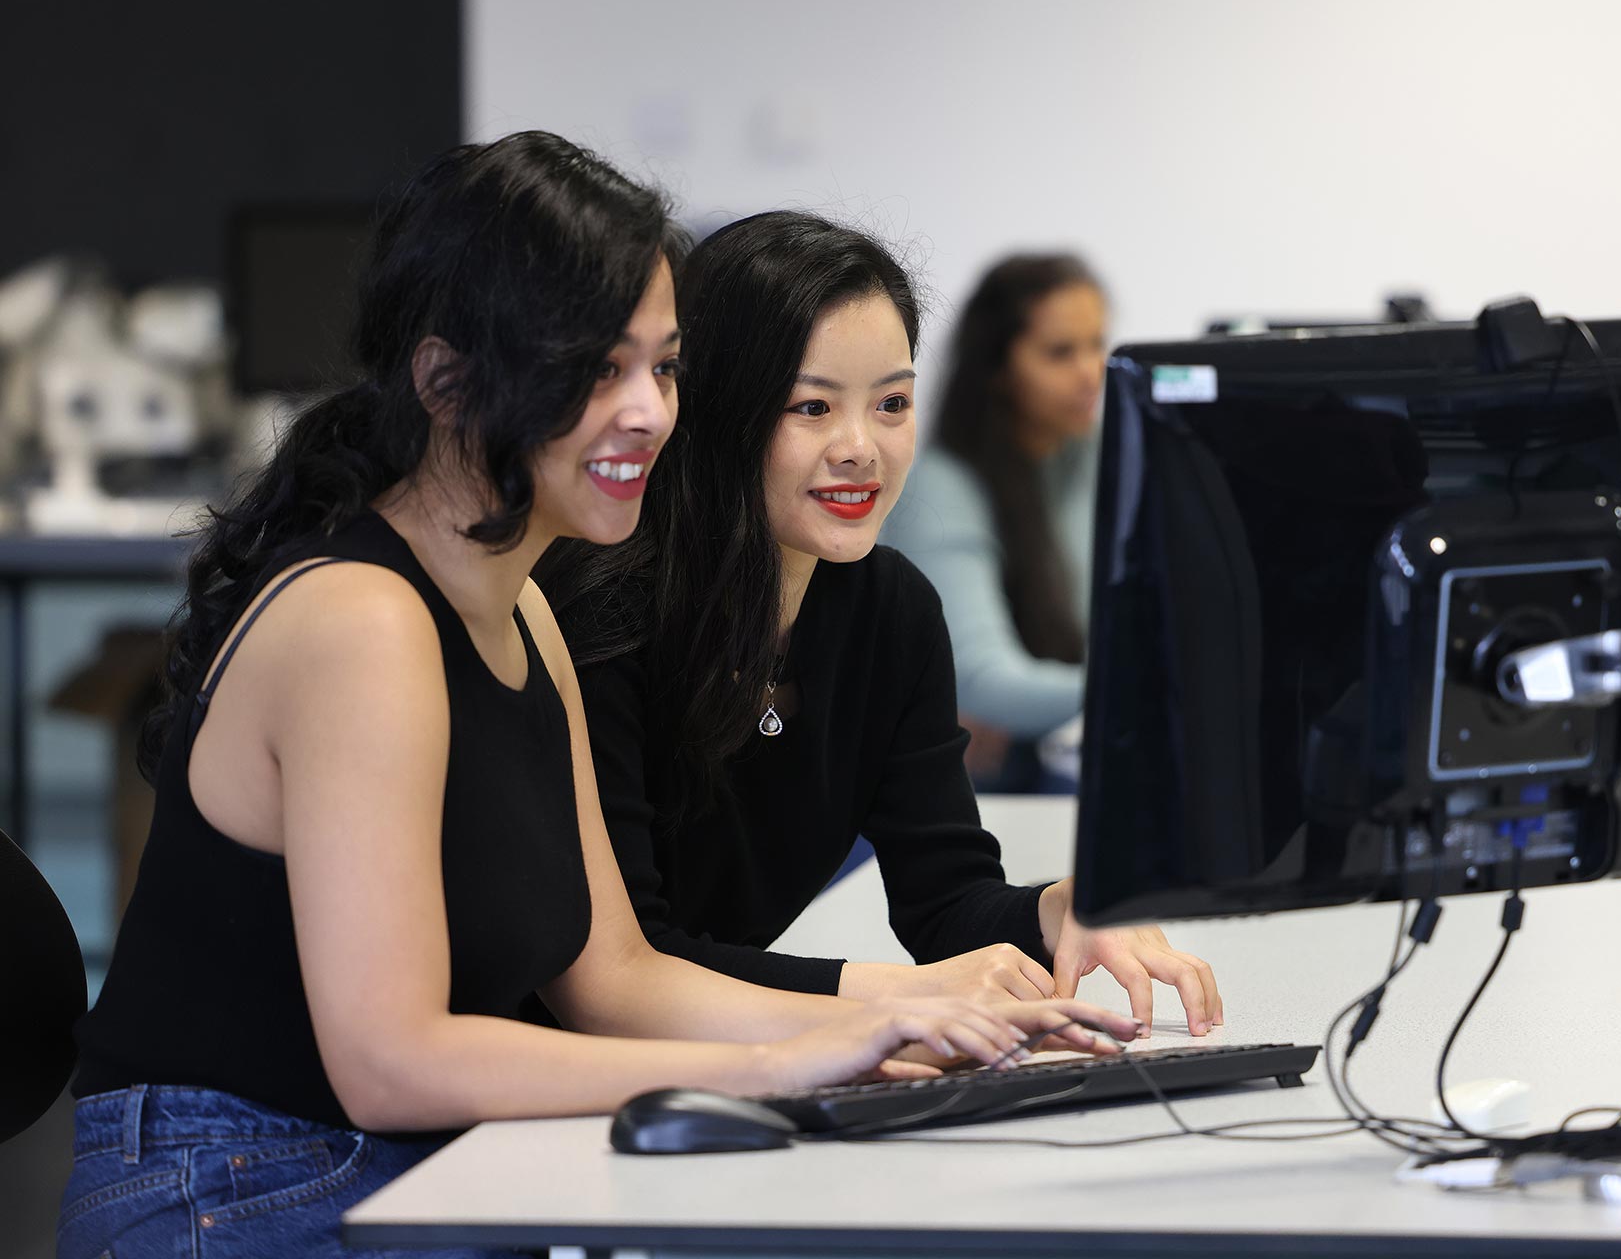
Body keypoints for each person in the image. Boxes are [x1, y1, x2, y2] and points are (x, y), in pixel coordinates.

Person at [58, 137, 1134, 1259]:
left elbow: (618, 977)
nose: (649, 414)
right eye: (596, 368)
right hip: (238, 1176)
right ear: (444, 379)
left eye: (664, 368)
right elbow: (389, 1062)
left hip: (416, 1158)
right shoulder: (361, 622)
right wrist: (781, 1060)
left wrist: (884, 1024)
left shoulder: (522, 612)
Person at [540, 213, 1221, 1033]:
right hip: (527, 1088)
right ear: (718, 411)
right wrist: (888, 997)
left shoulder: (891, 611)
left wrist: (1056, 908)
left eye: (892, 402)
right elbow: (627, 969)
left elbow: (945, 901)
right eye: (811, 407)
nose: (861, 447)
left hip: (717, 1057)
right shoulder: (601, 613)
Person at [879, 254, 1106, 790]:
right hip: (991, 783)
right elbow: (982, 681)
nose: (1090, 371)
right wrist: (1141, 689)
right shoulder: (940, 483)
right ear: (999, 367)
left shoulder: (1101, 453)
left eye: (1098, 344)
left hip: (1062, 753)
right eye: (1060, 352)